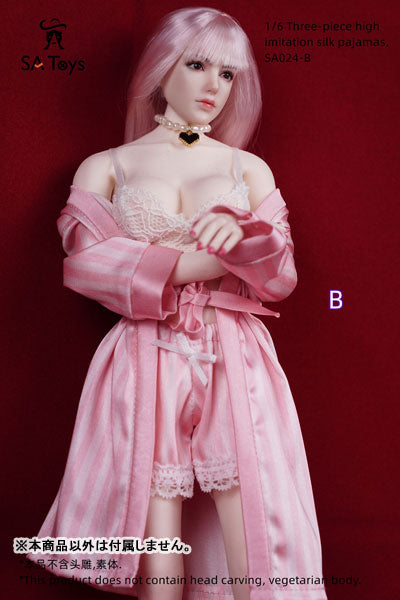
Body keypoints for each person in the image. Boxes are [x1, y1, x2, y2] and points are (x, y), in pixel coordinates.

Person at [27, 7, 328, 600]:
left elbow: (281, 278)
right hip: (144, 348)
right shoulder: (108, 165)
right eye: (197, 65)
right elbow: (87, 263)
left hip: (234, 350)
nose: (215, 85)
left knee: (253, 509)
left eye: (229, 73)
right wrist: (206, 262)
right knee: (151, 508)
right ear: (161, 68)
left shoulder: (247, 168)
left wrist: (249, 240)